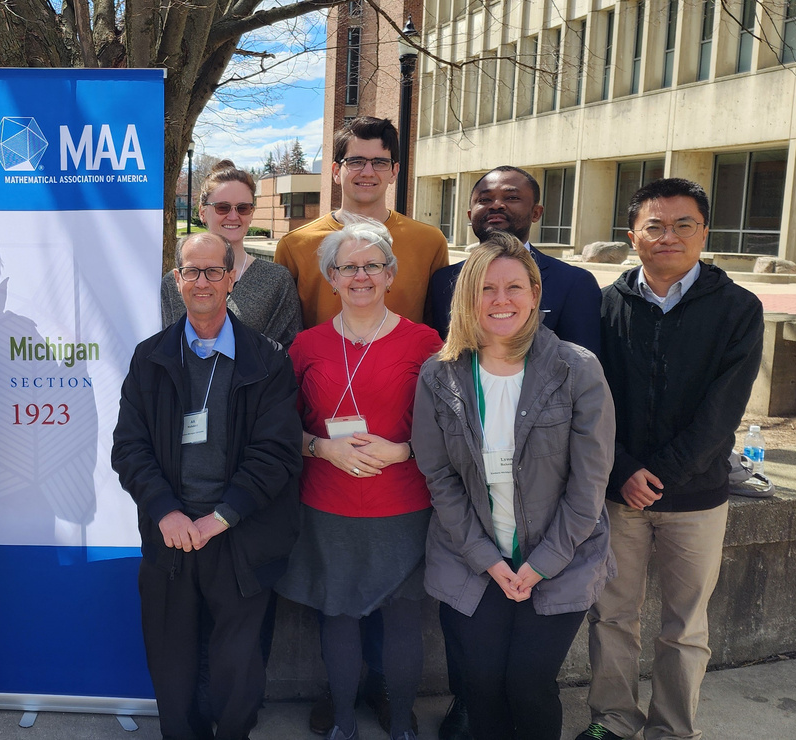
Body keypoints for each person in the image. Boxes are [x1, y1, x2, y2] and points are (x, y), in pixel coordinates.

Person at [575, 178, 764, 740]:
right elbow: (592, 397)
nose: (668, 237)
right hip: (618, 495)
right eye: (654, 226)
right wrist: (623, 469)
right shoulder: (607, 304)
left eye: (684, 225)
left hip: (697, 497)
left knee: (684, 627)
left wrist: (660, 475)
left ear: (705, 233)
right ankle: (612, 720)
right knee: (612, 616)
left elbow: (722, 410)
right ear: (633, 235)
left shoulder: (737, 308)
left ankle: (673, 729)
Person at [422, 166, 604, 739]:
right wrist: (491, 562)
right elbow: (440, 479)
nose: (499, 301)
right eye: (485, 289)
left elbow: (589, 485)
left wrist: (537, 565)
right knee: (481, 685)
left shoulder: (577, 369)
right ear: (466, 298)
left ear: (535, 295)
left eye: (513, 288)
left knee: (527, 683)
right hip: (473, 559)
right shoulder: (440, 374)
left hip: (560, 557)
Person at [112, 232, 302, 740]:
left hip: (239, 535)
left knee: (237, 666)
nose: (202, 281)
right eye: (191, 271)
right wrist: (165, 512)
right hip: (170, 535)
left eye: (213, 271)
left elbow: (277, 453)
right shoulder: (149, 357)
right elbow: (129, 448)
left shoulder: (268, 360)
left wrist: (221, 517)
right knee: (172, 664)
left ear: (231, 276)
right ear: (176, 280)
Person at [276, 221, 443, 740]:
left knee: (401, 620)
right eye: (349, 266)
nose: (361, 275)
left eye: (373, 264)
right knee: (339, 616)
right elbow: (282, 429)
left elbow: (450, 428)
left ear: (391, 275)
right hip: (328, 503)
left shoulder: (426, 342)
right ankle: (343, 722)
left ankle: (400, 726)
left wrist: (404, 449)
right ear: (332, 277)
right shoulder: (305, 346)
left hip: (403, 503)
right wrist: (320, 446)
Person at [276, 116, 449, 329]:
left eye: (379, 162)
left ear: (394, 171)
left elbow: (440, 327)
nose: (368, 172)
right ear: (336, 172)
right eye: (356, 162)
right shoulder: (294, 245)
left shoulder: (429, 242)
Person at [423, 166, 602, 357]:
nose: (496, 205)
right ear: (470, 215)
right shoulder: (443, 280)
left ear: (536, 213)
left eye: (512, 198)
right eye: (484, 200)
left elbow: (582, 367)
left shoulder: (574, 283)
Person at [162, 160, 302, 345]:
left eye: (243, 208)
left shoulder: (276, 281)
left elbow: (289, 353)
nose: (233, 216)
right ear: (203, 212)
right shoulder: (176, 283)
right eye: (223, 207)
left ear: (251, 213)